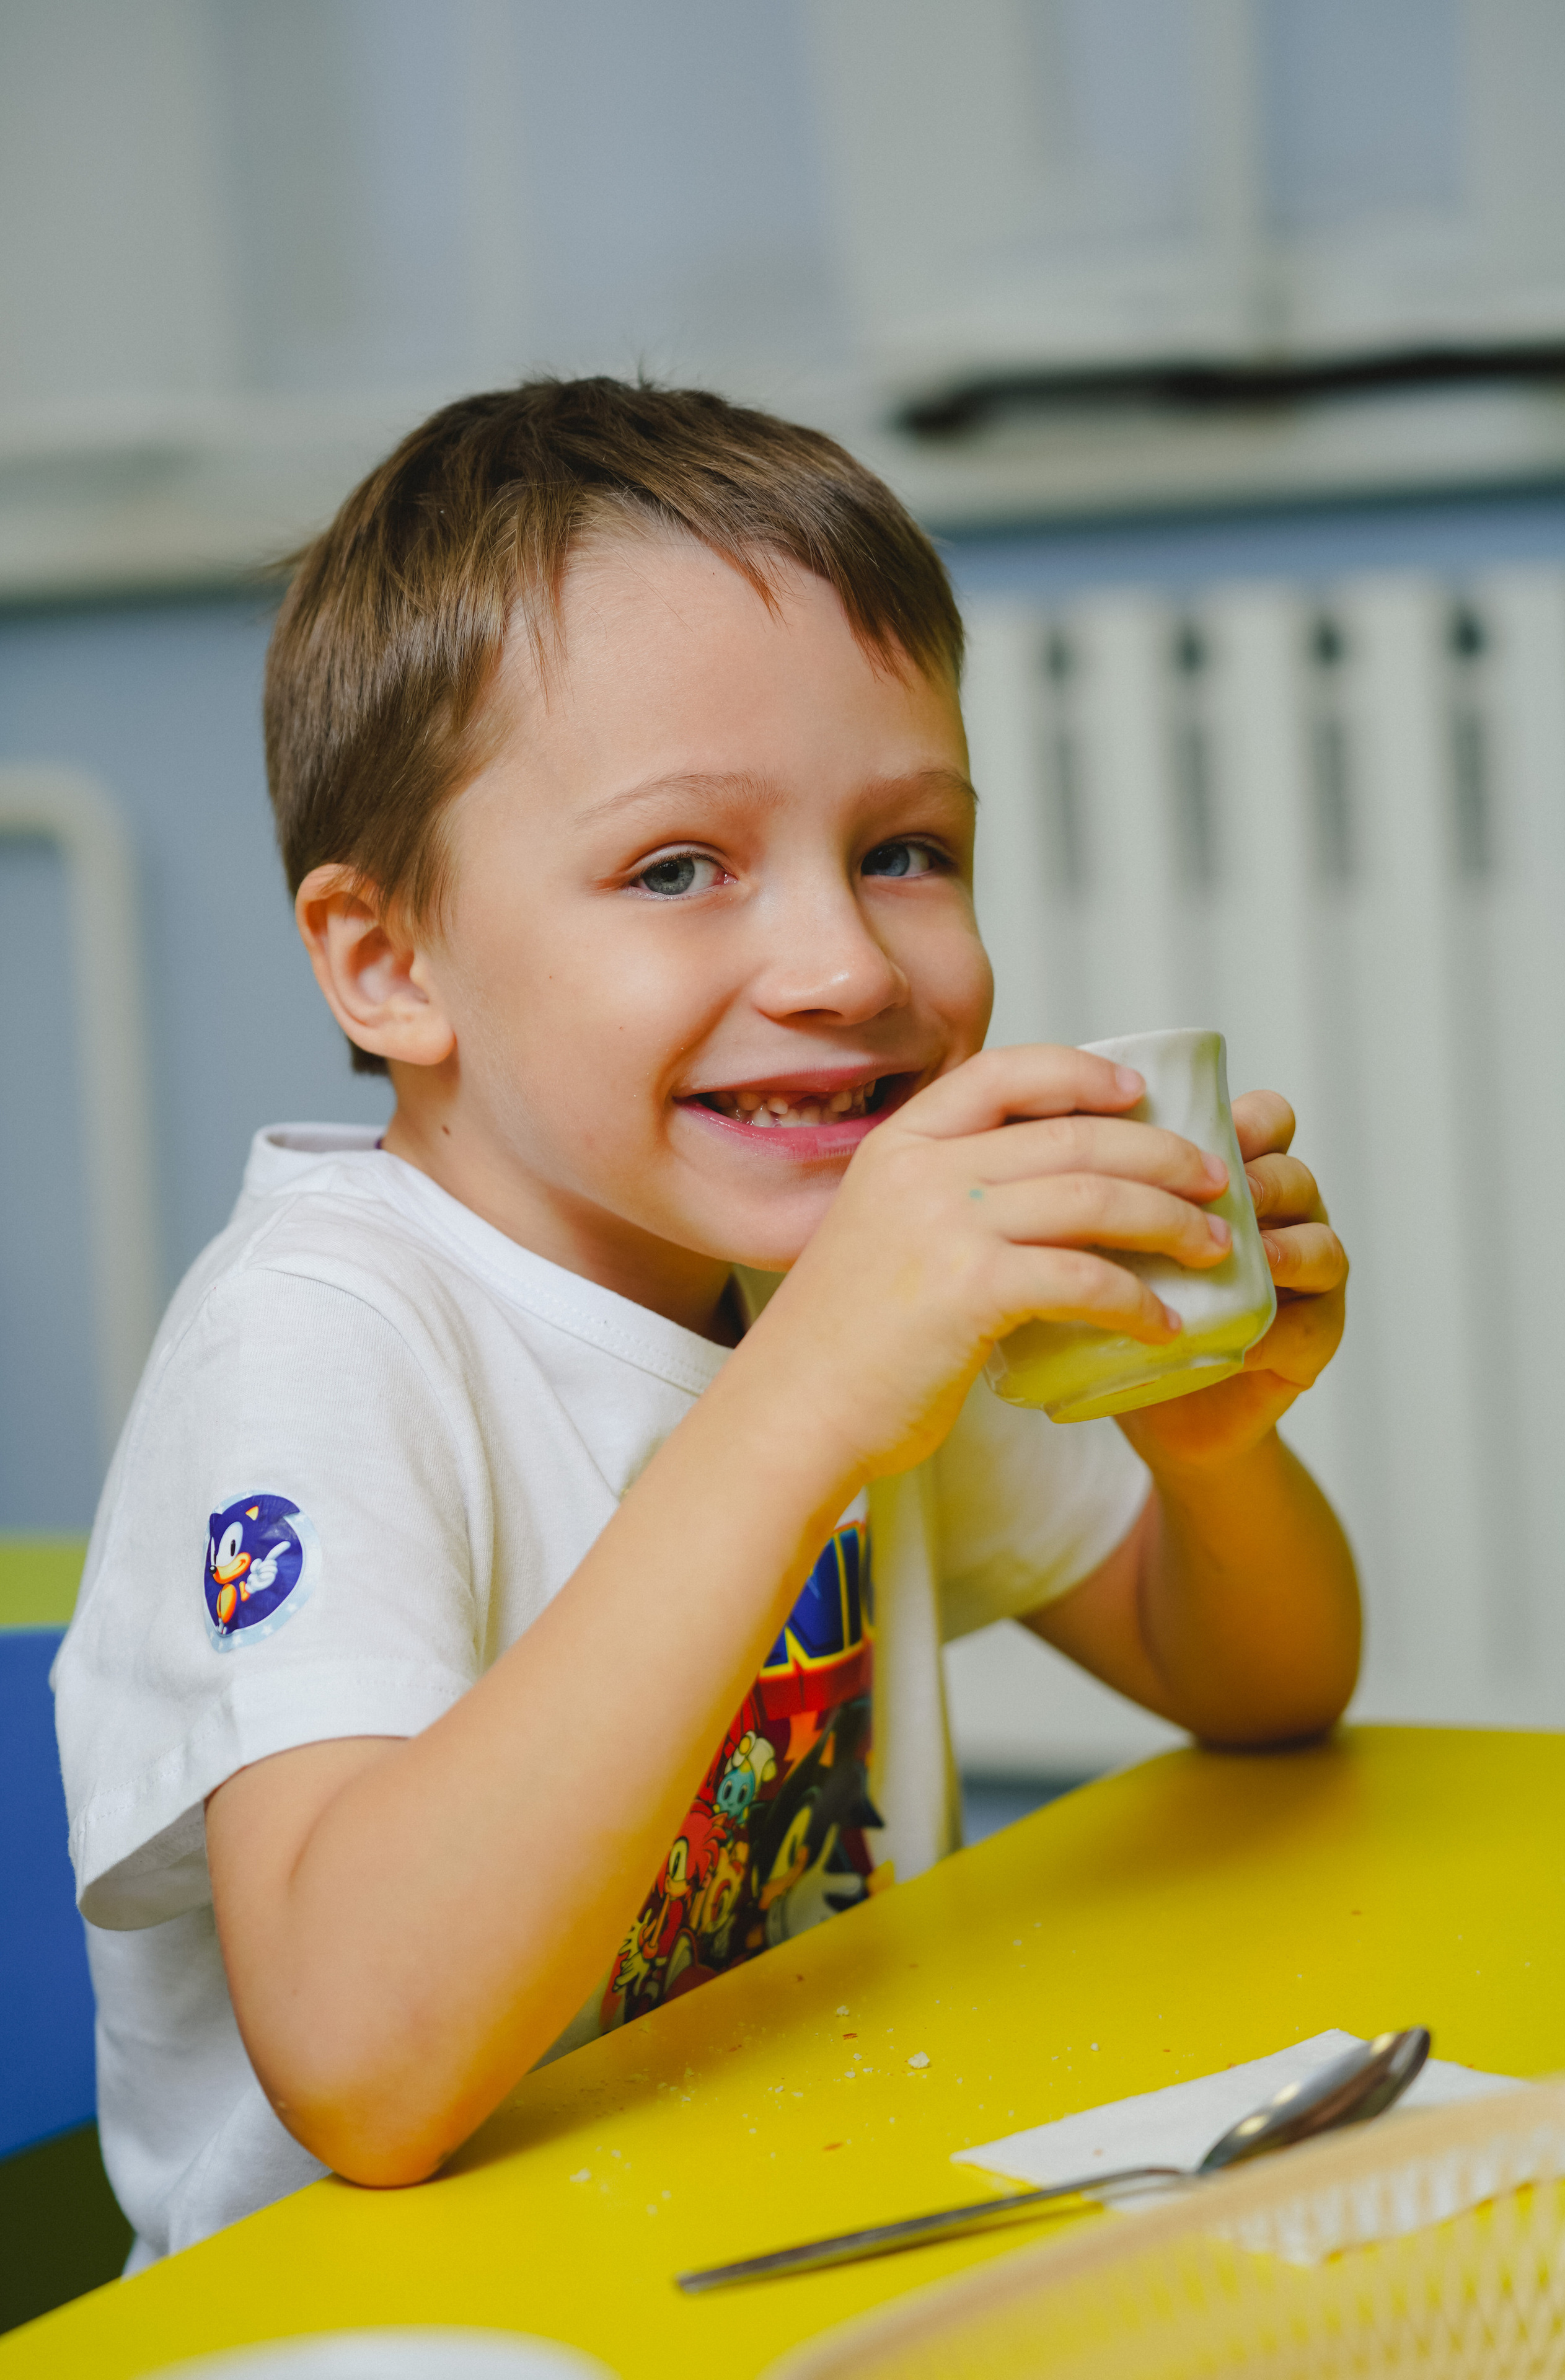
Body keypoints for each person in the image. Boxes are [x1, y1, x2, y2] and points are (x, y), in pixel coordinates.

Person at [54, 378, 1357, 2267]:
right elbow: (363, 2067)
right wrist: (805, 1400)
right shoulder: (325, 1338)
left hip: (780, 2220)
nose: (843, 966)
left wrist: (1207, 1446)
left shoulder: (827, 1280)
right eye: (680, 869)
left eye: (907, 849)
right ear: (389, 964)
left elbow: (1264, 1688)